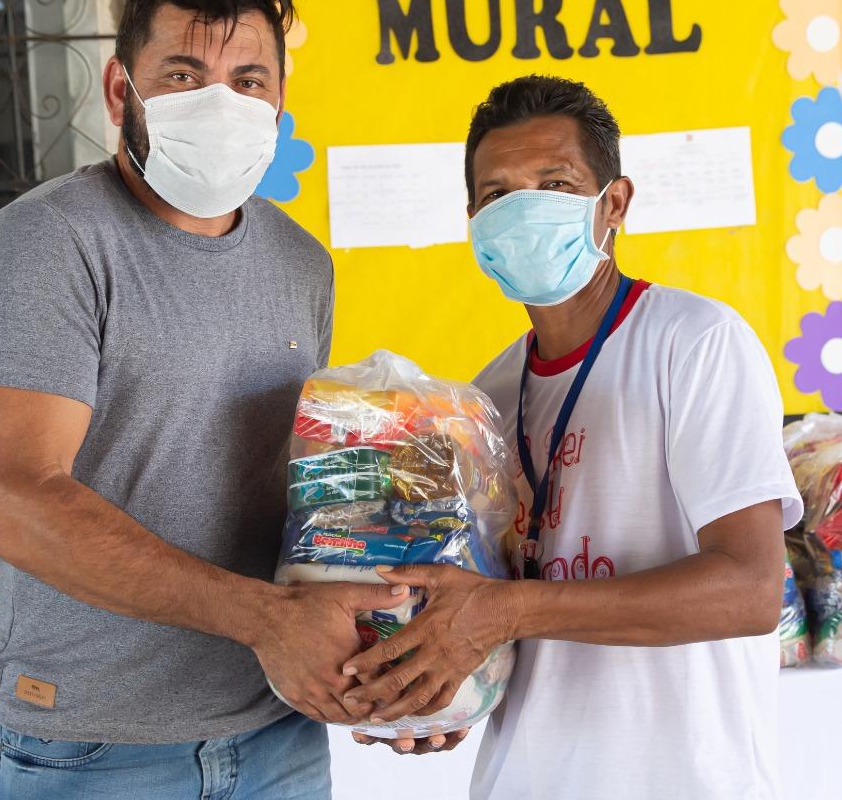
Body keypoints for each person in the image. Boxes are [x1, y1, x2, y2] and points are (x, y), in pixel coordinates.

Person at [0, 0, 408, 800]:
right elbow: (15, 500)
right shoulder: (49, 242)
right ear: (122, 90)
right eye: (184, 75)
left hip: (278, 728)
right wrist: (269, 620)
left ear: (279, 101)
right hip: (97, 744)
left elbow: (294, 499)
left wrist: (401, 663)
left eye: (248, 80)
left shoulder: (301, 263)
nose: (222, 103)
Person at [344, 75, 803, 799]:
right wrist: (445, 686)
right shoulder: (483, 399)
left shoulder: (696, 343)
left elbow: (749, 591)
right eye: (497, 197)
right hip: (524, 777)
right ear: (472, 219)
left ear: (612, 204)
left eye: (553, 187)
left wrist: (505, 613)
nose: (523, 214)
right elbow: (486, 605)